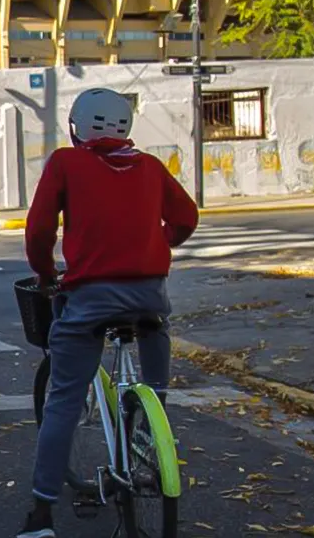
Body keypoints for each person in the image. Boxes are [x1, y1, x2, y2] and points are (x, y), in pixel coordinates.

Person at [18, 88, 199, 538]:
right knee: (156, 341)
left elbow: (39, 231)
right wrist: (157, 244)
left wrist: (45, 274)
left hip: (90, 299)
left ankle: (41, 515)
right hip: (149, 297)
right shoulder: (151, 167)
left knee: (62, 400)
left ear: (77, 127)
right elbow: (187, 218)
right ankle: (151, 420)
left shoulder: (66, 162)